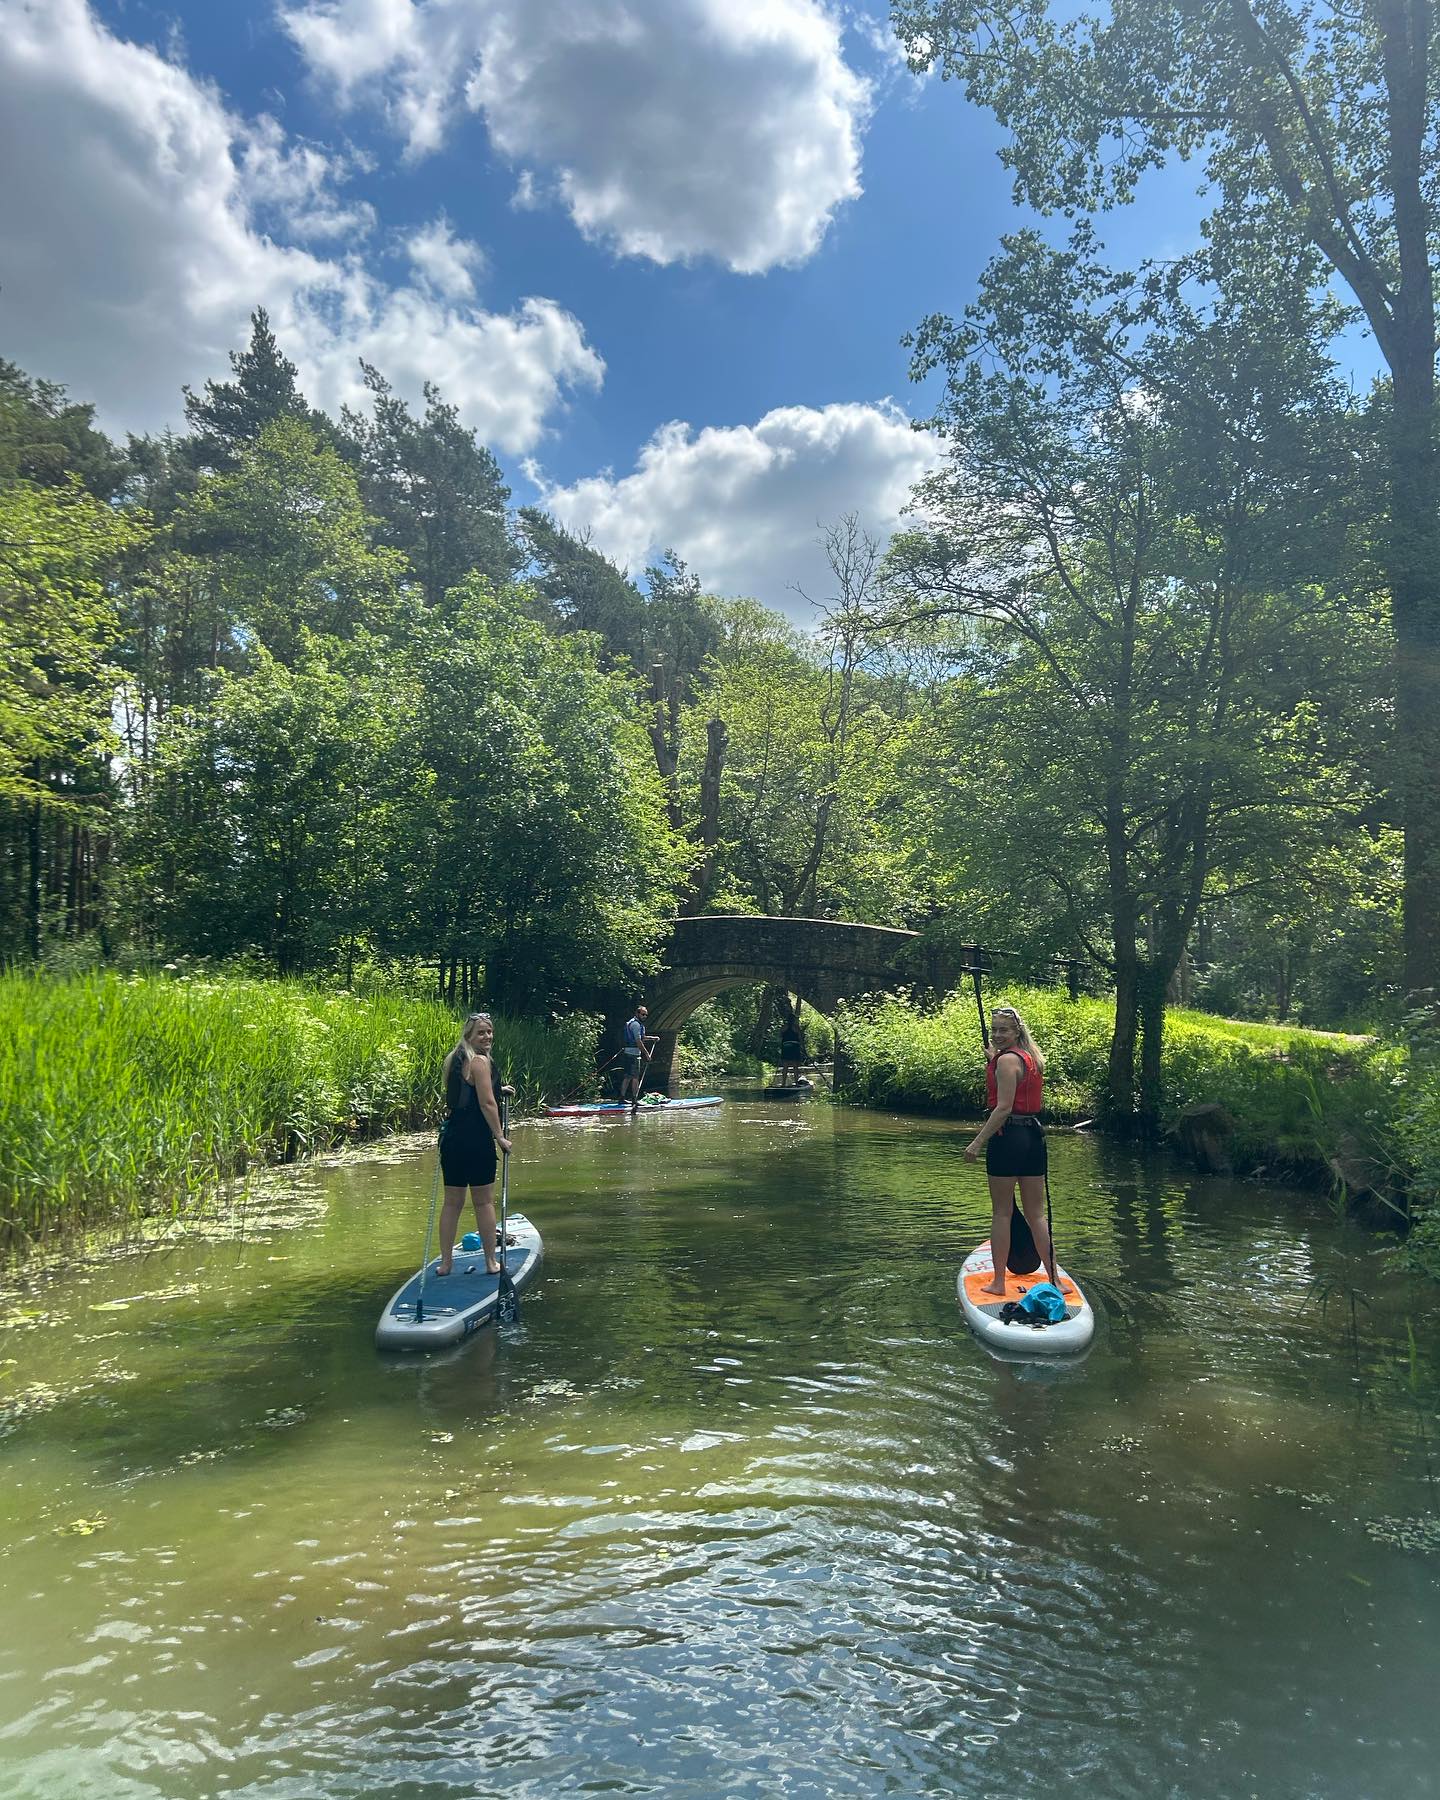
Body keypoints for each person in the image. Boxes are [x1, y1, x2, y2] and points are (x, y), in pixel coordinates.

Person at [963, 1004, 1057, 1292]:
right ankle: (1055, 1280)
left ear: (1017, 1031)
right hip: (1033, 1139)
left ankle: (999, 1282)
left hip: (1008, 1140)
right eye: (994, 1030)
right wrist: (995, 1060)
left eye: (1004, 1030)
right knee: (1036, 1215)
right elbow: (1014, 1078)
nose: (997, 1035)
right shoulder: (1030, 1058)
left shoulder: (1005, 1062)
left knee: (1002, 1213)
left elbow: (1003, 1108)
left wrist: (977, 1143)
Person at [436, 1012, 513, 1277]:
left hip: (452, 1139)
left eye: (489, 1032)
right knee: (483, 1202)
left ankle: (446, 1264)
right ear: (469, 1035)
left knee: (452, 1203)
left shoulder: (455, 1059)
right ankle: (491, 1262)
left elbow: (468, 1093)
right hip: (476, 1139)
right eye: (481, 1032)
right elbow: (486, 1103)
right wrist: (500, 1136)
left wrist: (498, 1088)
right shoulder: (479, 1061)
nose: (487, 1037)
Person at [620, 1004, 658, 1111]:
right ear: (637, 1014)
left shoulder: (636, 1024)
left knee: (628, 1076)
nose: (645, 1016)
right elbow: (638, 1041)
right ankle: (634, 1099)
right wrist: (647, 1054)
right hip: (633, 1054)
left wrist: (652, 1038)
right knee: (635, 1077)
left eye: (646, 1015)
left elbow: (643, 1037)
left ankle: (622, 1098)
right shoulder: (636, 1025)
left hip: (629, 1052)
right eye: (643, 1014)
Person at [778, 1006, 805, 1087]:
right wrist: (803, 1048)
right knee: (795, 1066)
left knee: (785, 1066)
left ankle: (783, 1084)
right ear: (793, 1020)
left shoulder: (784, 1027)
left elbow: (780, 1036)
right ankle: (796, 1083)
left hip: (786, 1047)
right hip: (794, 1047)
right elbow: (800, 1038)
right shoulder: (796, 1028)